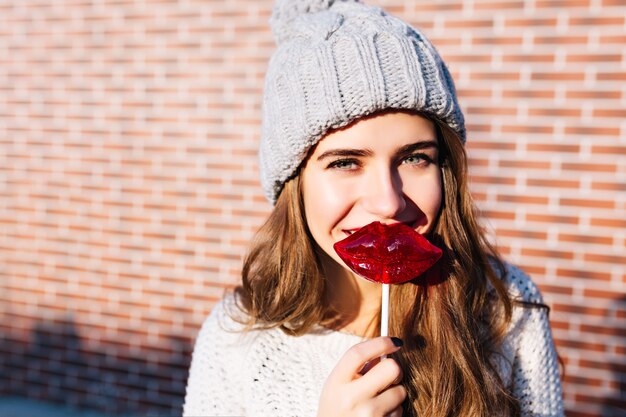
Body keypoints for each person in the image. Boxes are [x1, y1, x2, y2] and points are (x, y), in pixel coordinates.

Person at [183, 1, 565, 416]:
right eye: (346, 162)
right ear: (294, 183)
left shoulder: (507, 310)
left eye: (416, 158)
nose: (388, 201)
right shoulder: (238, 337)